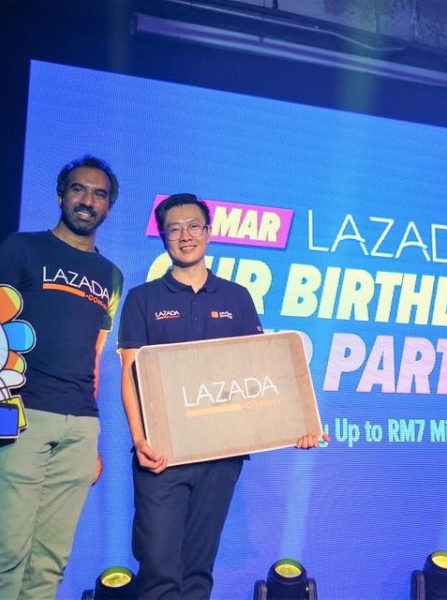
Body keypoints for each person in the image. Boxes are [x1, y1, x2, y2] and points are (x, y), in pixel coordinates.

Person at [117, 193, 327, 599]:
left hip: (221, 456)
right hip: (162, 454)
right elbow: (130, 374)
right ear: (163, 237)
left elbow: (263, 369)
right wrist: (140, 440)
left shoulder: (236, 297)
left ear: (208, 232)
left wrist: (299, 425)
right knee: (158, 567)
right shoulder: (143, 299)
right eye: (174, 229)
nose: (185, 236)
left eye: (193, 226)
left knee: (198, 569)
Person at [0, 155, 123, 599]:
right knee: (3, 557)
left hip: (80, 427)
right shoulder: (21, 249)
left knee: (49, 564)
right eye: (79, 189)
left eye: (99, 194)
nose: (87, 200)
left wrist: (93, 439)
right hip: (21, 416)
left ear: (108, 207)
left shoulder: (111, 275)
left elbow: (94, 356)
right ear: (60, 196)